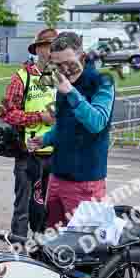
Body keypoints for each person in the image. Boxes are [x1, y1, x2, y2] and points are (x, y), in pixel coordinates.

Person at [28, 32, 116, 229]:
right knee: (53, 239)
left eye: (67, 63)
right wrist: (46, 139)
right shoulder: (62, 84)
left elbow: (97, 122)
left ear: (82, 57)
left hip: (85, 180)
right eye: (57, 65)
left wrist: (71, 92)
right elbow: (64, 125)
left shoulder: (102, 81)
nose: (62, 70)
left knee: (84, 244)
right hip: (58, 176)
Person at [1, 28, 58, 237]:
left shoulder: (61, 77)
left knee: (49, 209)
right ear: (38, 49)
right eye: (49, 46)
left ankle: (42, 253)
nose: (53, 52)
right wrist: (38, 117)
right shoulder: (22, 77)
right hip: (28, 154)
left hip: (55, 153)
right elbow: (7, 113)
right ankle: (17, 252)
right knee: (23, 209)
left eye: (57, 47)